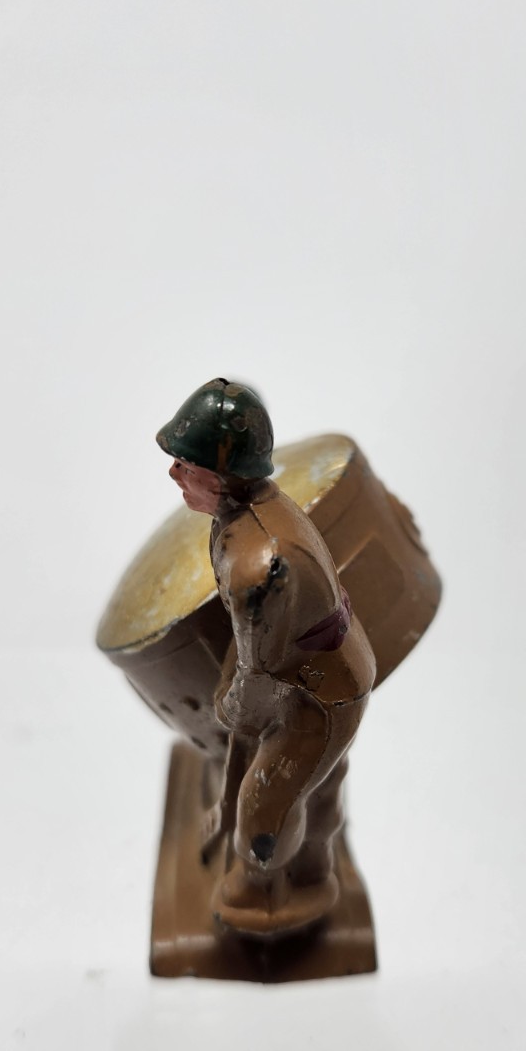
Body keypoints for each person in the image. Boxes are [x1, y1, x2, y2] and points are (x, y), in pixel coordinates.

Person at [157, 378, 376, 936]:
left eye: (186, 465)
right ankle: (315, 864)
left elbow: (259, 668)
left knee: (265, 803)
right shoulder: (250, 513)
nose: (174, 473)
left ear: (219, 477)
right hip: (316, 667)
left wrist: (235, 707)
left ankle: (263, 893)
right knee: (313, 782)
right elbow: (254, 638)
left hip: (317, 688)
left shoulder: (257, 562)